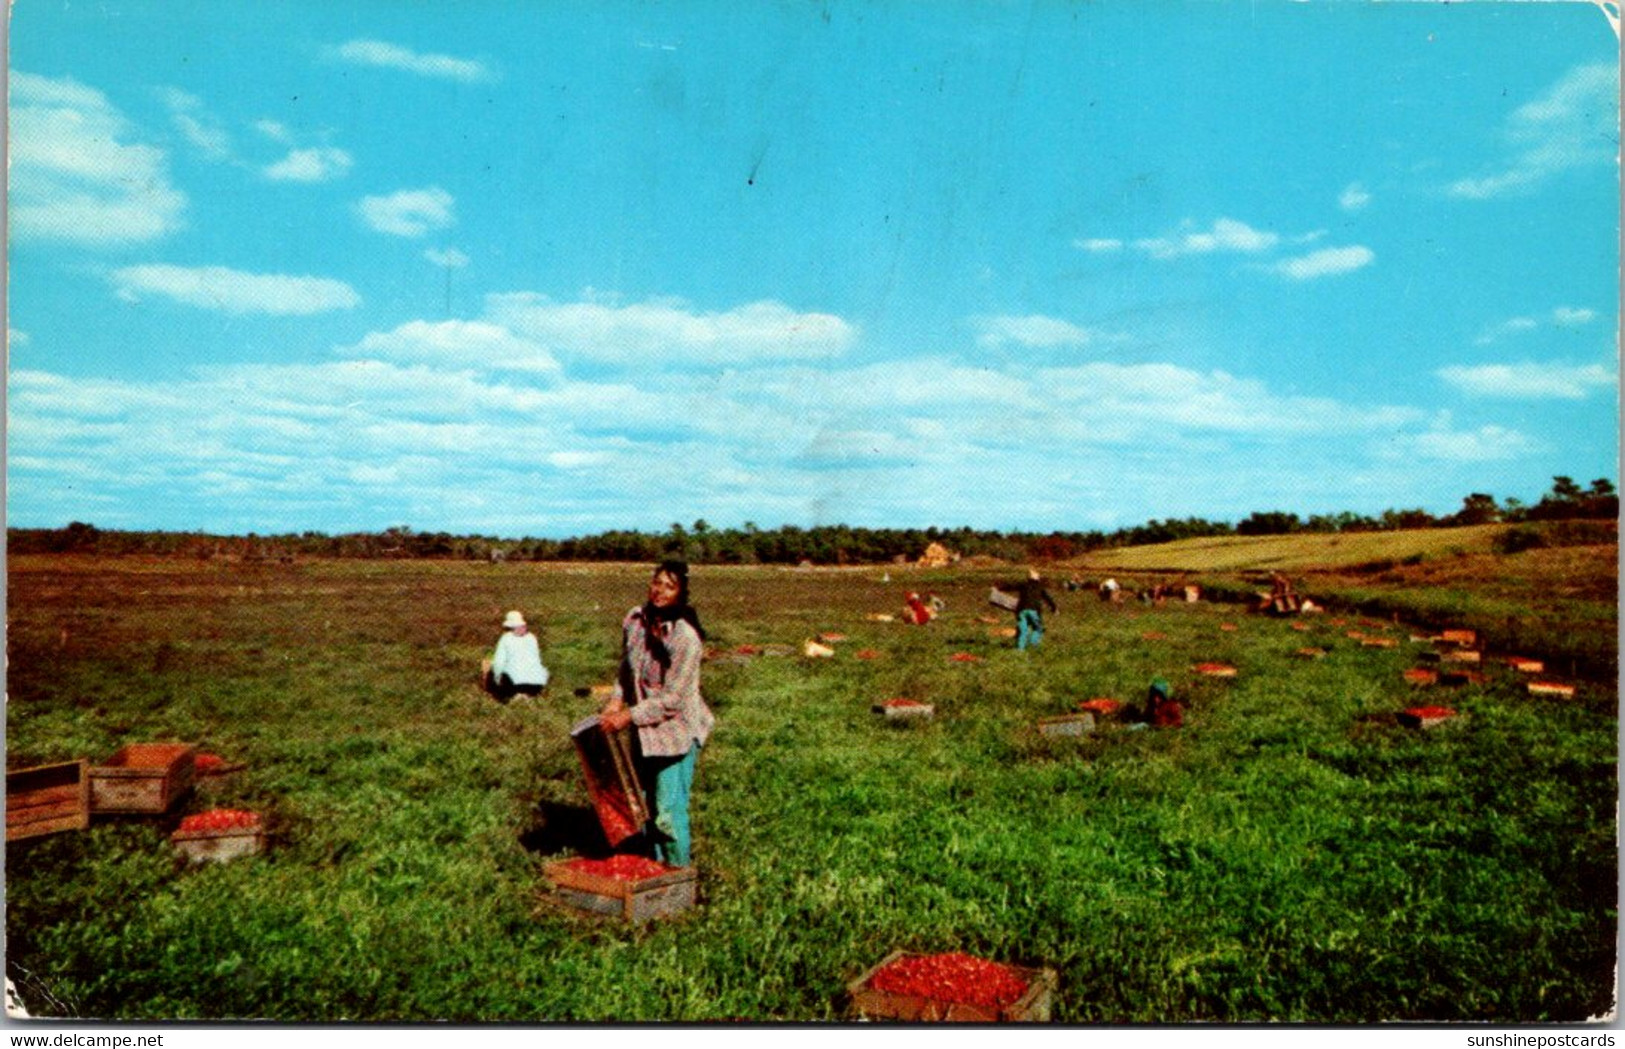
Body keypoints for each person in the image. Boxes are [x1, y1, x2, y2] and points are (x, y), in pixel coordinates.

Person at [598, 561, 715, 867]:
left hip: (676, 730)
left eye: (669, 586)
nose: (660, 591)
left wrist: (627, 716)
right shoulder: (636, 620)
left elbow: (673, 699)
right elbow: (628, 665)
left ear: (681, 593)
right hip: (645, 728)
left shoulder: (685, 637)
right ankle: (653, 871)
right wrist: (616, 699)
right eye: (657, 582)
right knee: (646, 806)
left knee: (668, 812)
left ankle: (678, 877)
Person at [485, 609, 549, 701]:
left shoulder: (506, 639)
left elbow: (499, 663)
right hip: (537, 684)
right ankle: (529, 695)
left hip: (515, 684)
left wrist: (496, 678)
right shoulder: (532, 638)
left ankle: (510, 695)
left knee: (493, 671)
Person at [1006, 568, 1058, 650]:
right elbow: (1048, 598)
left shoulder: (1023, 585)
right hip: (1034, 610)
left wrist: (998, 588)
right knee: (1038, 628)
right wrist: (1054, 608)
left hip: (1021, 610)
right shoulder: (1040, 587)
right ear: (1037, 578)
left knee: (1023, 630)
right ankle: (1033, 645)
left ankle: (1020, 649)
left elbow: (1011, 586)